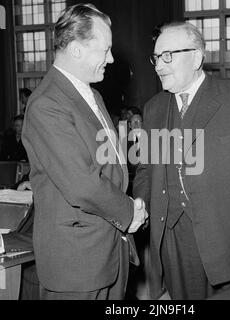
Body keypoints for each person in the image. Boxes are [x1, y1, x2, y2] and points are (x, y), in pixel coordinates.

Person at [133, 21, 230, 300]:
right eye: (155, 57)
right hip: (172, 239)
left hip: (229, 240)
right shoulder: (153, 108)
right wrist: (139, 206)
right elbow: (146, 170)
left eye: (168, 56)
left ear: (197, 57)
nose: (158, 65)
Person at [22, 3, 147, 300]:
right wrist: (129, 212)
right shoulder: (46, 105)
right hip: (77, 265)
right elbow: (82, 183)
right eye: (104, 50)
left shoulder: (93, 95)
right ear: (76, 50)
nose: (112, 58)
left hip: (107, 253)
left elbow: (108, 165)